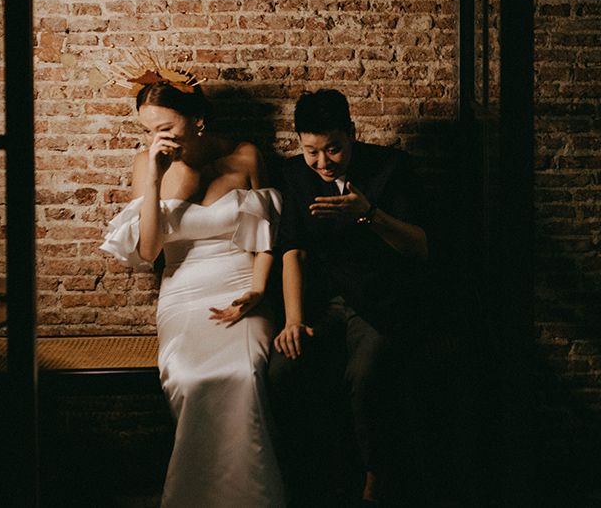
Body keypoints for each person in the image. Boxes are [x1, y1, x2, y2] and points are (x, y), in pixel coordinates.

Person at [100, 70, 285, 507]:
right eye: (149, 131)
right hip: (183, 291)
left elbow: (272, 239)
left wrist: (258, 292)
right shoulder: (149, 164)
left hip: (242, 284)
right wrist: (152, 178)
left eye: (165, 128)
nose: (157, 139)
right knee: (187, 375)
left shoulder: (245, 157)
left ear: (197, 119)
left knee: (245, 372)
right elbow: (148, 251)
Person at [269, 89, 429, 506]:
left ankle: (377, 475)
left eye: (333, 149)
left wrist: (368, 214)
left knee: (365, 375)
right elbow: (292, 250)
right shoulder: (295, 175)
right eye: (311, 152)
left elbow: (421, 247)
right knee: (282, 370)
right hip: (322, 301)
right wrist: (292, 319)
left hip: (380, 301)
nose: (322, 163)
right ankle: (305, 477)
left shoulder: (391, 167)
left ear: (352, 135)